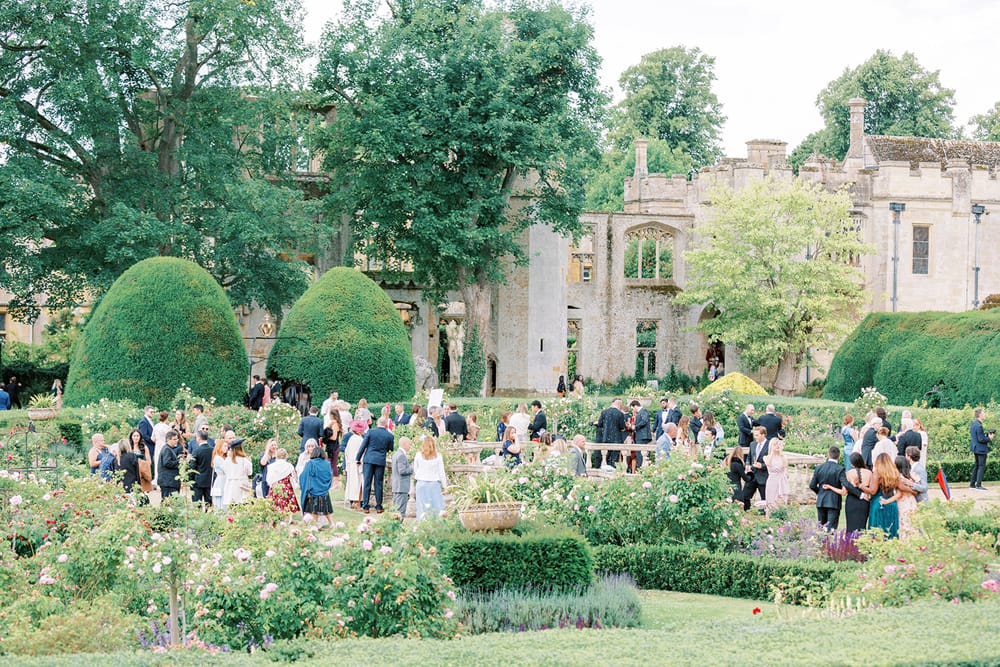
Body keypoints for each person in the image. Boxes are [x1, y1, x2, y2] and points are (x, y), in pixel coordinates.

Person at [357, 416, 394, 513]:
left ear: (377, 423)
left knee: (367, 483)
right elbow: (390, 448)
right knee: (379, 483)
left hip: (369, 459)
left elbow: (363, 446)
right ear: (386, 424)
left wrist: (358, 458)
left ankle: (365, 506)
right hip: (380, 460)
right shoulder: (389, 435)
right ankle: (379, 506)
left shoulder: (371, 432)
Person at [809, 446, 847, 530]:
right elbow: (845, 485)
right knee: (831, 529)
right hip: (834, 502)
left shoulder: (819, 468)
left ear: (828, 454)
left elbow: (812, 485)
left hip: (821, 501)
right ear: (839, 456)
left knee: (821, 528)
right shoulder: (840, 469)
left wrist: (820, 492)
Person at [413, 435, 448, 520]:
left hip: (421, 483)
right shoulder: (438, 456)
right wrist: (445, 486)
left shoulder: (418, 455)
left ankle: (422, 526)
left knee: (421, 508)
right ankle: (435, 526)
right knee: (436, 507)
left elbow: (415, 469)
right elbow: (441, 472)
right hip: (433, 483)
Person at [868, 452, 902, 539]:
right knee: (891, 530)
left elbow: (872, 491)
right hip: (892, 504)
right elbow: (899, 493)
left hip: (878, 502)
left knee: (877, 530)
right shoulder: (895, 473)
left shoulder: (877, 473)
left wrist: (861, 487)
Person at [300, 446, 334, 528]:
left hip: (313, 490)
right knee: (326, 509)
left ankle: (315, 525)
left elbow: (303, 476)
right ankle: (332, 523)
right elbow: (329, 476)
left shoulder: (310, 463)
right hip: (324, 490)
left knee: (313, 508)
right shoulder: (327, 464)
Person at [266, 448, 300, 515]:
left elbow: (269, 479)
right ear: (286, 456)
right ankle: (286, 514)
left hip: (276, 486)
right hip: (286, 487)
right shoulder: (289, 466)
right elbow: (295, 477)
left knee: (275, 502)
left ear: (276, 455)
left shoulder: (271, 466)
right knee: (287, 502)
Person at [743, 426, 769, 509]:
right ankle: (747, 512)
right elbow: (749, 457)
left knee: (765, 499)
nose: (755, 437)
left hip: (763, 476)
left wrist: (762, 466)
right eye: (754, 435)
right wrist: (747, 464)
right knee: (745, 496)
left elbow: (773, 461)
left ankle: (764, 516)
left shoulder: (770, 445)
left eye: (757, 435)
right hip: (752, 475)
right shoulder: (752, 444)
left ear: (763, 435)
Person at [221, 439, 253, 507]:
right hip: (241, 486)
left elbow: (225, 471)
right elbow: (250, 472)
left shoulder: (228, 460)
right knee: (241, 505)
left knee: (232, 507)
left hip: (230, 486)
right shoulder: (245, 460)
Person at [343, 420, 366, 510]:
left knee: (352, 482)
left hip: (351, 463)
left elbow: (346, 452)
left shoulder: (351, 439)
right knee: (359, 483)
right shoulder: (360, 439)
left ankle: (354, 500)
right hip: (358, 464)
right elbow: (361, 453)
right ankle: (357, 502)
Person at [895, 455, 919, 536]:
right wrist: (914, 492)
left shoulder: (898, 476)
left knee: (903, 522)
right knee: (912, 523)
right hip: (912, 500)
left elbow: (900, 487)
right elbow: (917, 489)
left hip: (902, 501)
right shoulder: (912, 475)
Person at [190, 429, 215, 507]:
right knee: (209, 502)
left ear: (199, 438)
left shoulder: (196, 451)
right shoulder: (212, 450)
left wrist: (190, 480)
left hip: (198, 481)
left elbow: (192, 467)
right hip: (209, 480)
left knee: (197, 504)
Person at [970, 407, 993, 490]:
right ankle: (978, 485)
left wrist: (986, 435)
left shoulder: (973, 424)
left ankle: (972, 484)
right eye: (983, 413)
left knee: (976, 466)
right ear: (979, 415)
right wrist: (989, 438)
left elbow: (978, 437)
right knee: (981, 466)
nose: (985, 415)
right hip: (981, 449)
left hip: (975, 448)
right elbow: (981, 439)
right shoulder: (979, 425)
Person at [391, 436, 414, 517]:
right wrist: (412, 468)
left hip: (397, 486)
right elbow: (402, 471)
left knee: (395, 510)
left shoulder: (395, 454)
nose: (410, 446)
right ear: (404, 444)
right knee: (400, 511)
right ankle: (398, 527)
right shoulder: (401, 455)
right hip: (401, 486)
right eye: (409, 444)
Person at [764, 437, 789, 511]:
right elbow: (768, 463)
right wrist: (772, 452)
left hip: (782, 480)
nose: (777, 446)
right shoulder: (767, 457)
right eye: (775, 445)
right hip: (772, 481)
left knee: (782, 503)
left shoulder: (784, 457)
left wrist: (781, 453)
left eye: (779, 445)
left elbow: (785, 466)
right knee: (771, 502)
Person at [157, 430, 183, 499]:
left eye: (177, 439)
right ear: (168, 439)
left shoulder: (168, 448)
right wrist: (179, 462)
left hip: (169, 482)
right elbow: (167, 463)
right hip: (168, 482)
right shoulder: (167, 449)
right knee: (168, 502)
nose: (176, 441)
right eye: (174, 439)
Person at [323, 409, 344, 483]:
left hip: (333, 446)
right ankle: (332, 480)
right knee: (331, 463)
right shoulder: (334, 423)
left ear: (332, 415)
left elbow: (334, 437)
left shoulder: (335, 425)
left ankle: (335, 481)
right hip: (332, 446)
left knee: (333, 464)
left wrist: (326, 438)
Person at [210, 437, 230, 509]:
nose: (226, 448)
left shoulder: (223, 457)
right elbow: (226, 469)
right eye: (225, 446)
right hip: (221, 480)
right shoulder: (218, 458)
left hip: (224, 479)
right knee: (221, 502)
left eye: (227, 446)